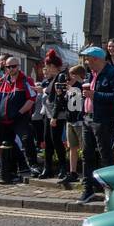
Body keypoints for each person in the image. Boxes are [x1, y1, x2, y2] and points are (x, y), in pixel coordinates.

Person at [77, 47, 114, 204]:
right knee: (86, 155)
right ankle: (88, 190)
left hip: (104, 120)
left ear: (97, 59)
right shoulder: (92, 74)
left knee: (106, 156)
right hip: (88, 118)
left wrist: (94, 95)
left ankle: (110, 191)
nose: (86, 62)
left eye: (88, 59)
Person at [0, 57, 37, 184]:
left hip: (19, 118)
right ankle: (11, 170)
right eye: (8, 67)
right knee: (6, 144)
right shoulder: (1, 82)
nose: (11, 69)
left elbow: (31, 99)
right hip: (3, 119)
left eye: (14, 66)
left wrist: (19, 113)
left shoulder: (26, 81)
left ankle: (33, 165)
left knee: (26, 138)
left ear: (18, 66)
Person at [39, 51, 69, 181]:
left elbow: (60, 98)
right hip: (48, 113)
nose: (46, 69)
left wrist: (55, 117)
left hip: (56, 114)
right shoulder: (50, 79)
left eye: (47, 66)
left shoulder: (61, 77)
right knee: (48, 141)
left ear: (52, 66)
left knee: (56, 141)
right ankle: (48, 167)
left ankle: (63, 168)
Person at [61, 64, 86, 186]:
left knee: (84, 147)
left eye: (71, 75)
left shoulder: (82, 87)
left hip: (79, 120)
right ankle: (73, 172)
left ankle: (86, 172)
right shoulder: (70, 87)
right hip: (70, 120)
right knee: (72, 147)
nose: (68, 78)